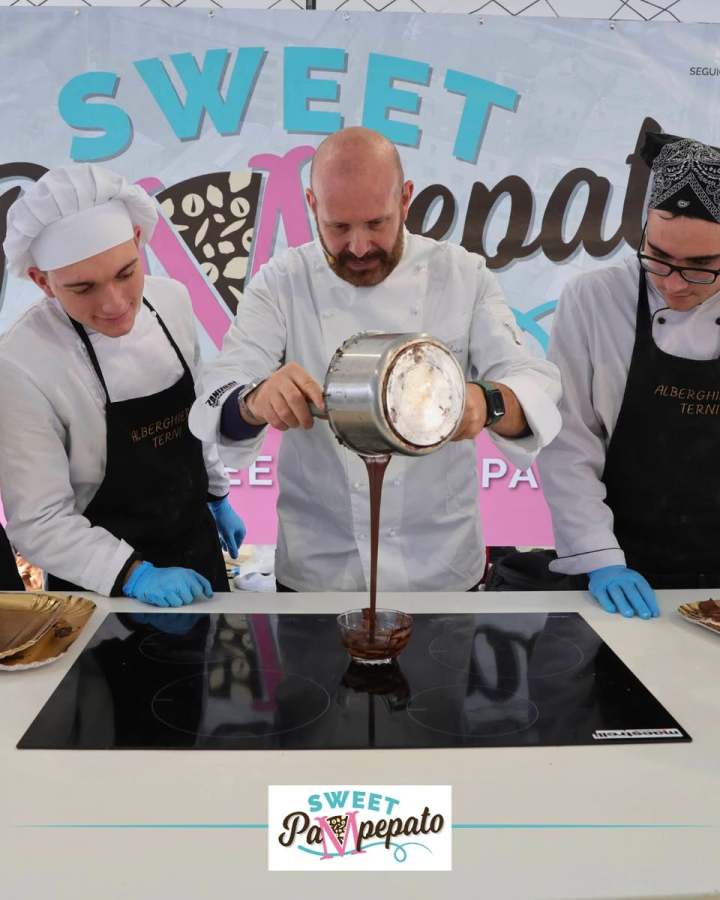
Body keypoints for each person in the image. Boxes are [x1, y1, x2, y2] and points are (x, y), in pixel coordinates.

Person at [189, 127, 562, 592]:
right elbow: (220, 391)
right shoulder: (282, 282)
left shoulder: (461, 275)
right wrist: (255, 400)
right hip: (317, 572)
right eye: (339, 228)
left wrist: (487, 403)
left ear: (406, 200)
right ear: (311, 204)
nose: (360, 247)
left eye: (377, 223)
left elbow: (533, 380)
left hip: (441, 571)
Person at [0, 165, 246, 606]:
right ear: (43, 281)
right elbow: (39, 521)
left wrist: (218, 491)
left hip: (196, 551)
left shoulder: (172, 300)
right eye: (84, 288)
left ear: (137, 240)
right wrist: (133, 575)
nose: (113, 303)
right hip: (98, 588)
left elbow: (195, 416)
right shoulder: (22, 363)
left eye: (125, 272)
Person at [538, 132, 720, 620]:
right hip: (620, 567)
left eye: (701, 267)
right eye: (658, 256)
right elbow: (569, 441)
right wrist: (599, 560)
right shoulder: (594, 298)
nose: (673, 283)